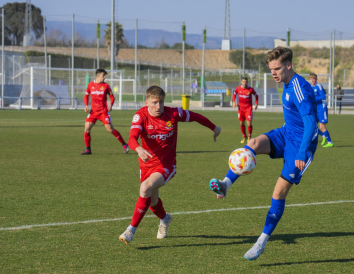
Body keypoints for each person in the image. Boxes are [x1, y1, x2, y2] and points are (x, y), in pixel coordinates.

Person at [209, 47, 318, 260]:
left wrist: (303, 152)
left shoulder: (299, 87)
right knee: (253, 143)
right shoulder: (286, 83)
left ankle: (261, 242)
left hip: (300, 146)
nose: (273, 73)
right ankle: (225, 184)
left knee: (278, 193)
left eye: (277, 68)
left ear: (288, 65)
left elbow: (311, 122)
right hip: (286, 134)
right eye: (271, 69)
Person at [119, 85, 221, 244]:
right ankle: (165, 219)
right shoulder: (140, 116)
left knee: (145, 187)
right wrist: (138, 148)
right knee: (152, 201)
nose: (158, 106)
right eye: (154, 102)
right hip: (146, 165)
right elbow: (132, 137)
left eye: (160, 102)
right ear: (146, 102)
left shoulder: (173, 113)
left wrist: (215, 128)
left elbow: (195, 116)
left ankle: (130, 231)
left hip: (166, 165)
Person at [82, 69, 129, 155]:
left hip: (103, 112)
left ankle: (124, 144)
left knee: (110, 129)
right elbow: (86, 96)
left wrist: (111, 105)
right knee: (87, 129)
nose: (105, 77)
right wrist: (86, 105)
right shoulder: (90, 85)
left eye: (105, 75)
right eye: (103, 75)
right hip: (93, 112)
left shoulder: (106, 86)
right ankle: (88, 150)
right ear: (98, 75)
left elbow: (112, 97)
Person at [309, 73, 334, 148]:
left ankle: (330, 142)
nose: (312, 80)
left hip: (322, 108)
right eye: (311, 78)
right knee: (313, 125)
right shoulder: (311, 87)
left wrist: (314, 99)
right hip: (316, 109)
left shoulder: (319, 86)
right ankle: (323, 135)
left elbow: (323, 96)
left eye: (314, 79)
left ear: (316, 79)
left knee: (322, 127)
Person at [232, 77, 259, 143]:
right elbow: (234, 94)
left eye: (246, 82)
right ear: (241, 82)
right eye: (243, 82)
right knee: (241, 123)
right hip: (240, 109)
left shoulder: (250, 89)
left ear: (247, 82)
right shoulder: (238, 88)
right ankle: (244, 136)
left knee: (249, 124)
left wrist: (256, 104)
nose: (244, 83)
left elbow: (256, 95)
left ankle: (249, 136)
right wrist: (234, 102)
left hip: (248, 109)